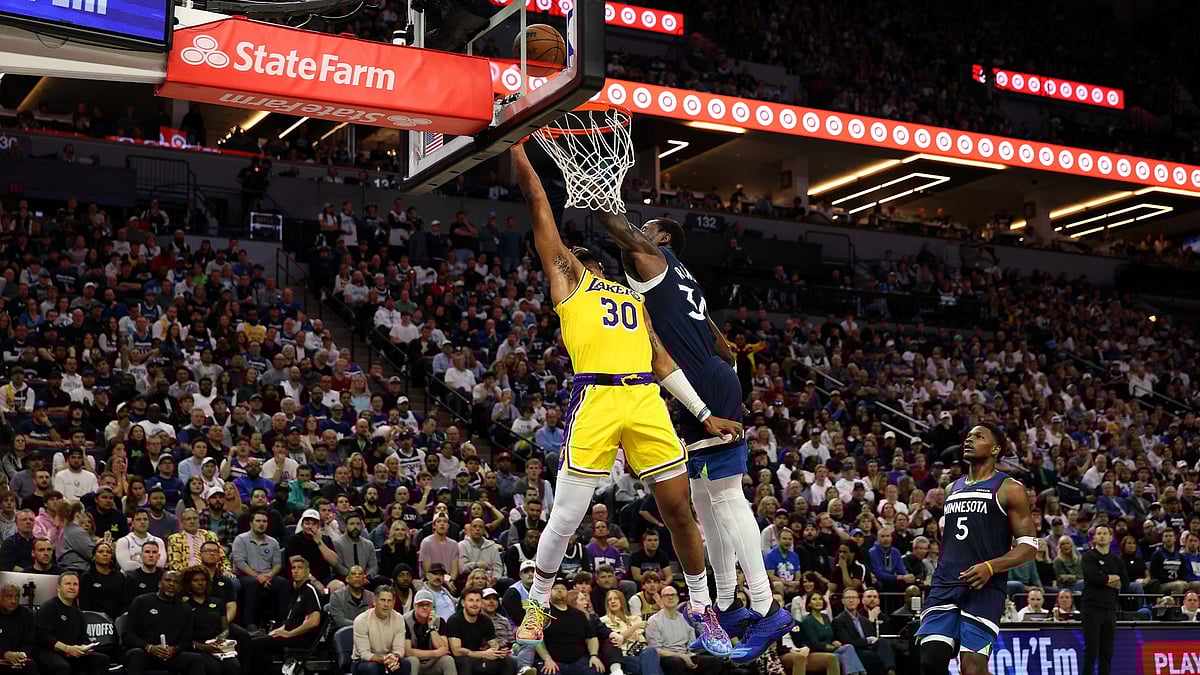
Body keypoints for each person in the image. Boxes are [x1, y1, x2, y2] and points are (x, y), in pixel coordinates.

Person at [508, 144, 738, 657]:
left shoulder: (633, 298)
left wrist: (703, 414)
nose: (586, 258)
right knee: (566, 516)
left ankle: (703, 607)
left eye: (589, 257)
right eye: (577, 256)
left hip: (646, 399)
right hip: (597, 396)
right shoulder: (569, 281)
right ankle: (538, 600)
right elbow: (539, 204)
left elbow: (661, 360)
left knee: (680, 510)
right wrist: (517, 151)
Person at [591, 184, 793, 662]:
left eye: (647, 232)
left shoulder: (656, 260)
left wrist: (594, 194)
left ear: (660, 241)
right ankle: (725, 604)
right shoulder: (683, 277)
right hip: (707, 375)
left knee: (725, 499)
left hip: (701, 382)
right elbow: (722, 343)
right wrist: (724, 374)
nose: (639, 235)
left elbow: (616, 228)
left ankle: (766, 608)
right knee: (704, 501)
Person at [915, 424, 1038, 675]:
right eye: (968, 437)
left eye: (979, 437)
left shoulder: (1009, 488)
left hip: (983, 587)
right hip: (946, 583)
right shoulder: (952, 488)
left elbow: (1029, 547)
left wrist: (991, 566)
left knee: (972, 669)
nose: (969, 441)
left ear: (995, 449)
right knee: (931, 660)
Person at [121, 569, 207, 675]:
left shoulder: (186, 609)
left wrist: (175, 649)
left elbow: (186, 639)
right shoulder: (141, 602)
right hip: (145, 652)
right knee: (136, 654)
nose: (171, 584)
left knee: (196, 659)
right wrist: (149, 647)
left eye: (176, 582)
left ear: (180, 587)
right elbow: (128, 635)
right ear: (159, 583)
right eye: (168, 580)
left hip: (171, 654)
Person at [250, 556, 323, 671]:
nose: (296, 570)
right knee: (252, 641)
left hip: (303, 638)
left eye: (300, 568)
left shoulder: (310, 591)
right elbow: (291, 620)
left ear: (308, 571)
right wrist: (277, 631)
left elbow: (314, 621)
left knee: (255, 645)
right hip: (292, 634)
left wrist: (290, 634)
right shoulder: (297, 591)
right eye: (293, 568)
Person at [34, 571, 112, 674]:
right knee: (62, 667)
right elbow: (42, 636)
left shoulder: (78, 612)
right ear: (58, 587)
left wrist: (84, 648)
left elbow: (83, 638)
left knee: (102, 660)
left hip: (71, 652)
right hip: (48, 651)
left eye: (75, 584)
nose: (72, 587)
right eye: (68, 584)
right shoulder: (50, 607)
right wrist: (66, 648)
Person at [231, 508, 289, 633]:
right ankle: (249, 624)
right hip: (246, 575)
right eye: (258, 521)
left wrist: (268, 576)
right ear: (251, 523)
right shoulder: (240, 539)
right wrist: (258, 576)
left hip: (268, 575)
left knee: (283, 583)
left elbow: (278, 564)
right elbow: (239, 563)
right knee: (253, 583)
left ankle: (283, 622)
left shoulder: (273, 542)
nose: (261, 524)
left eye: (264, 521)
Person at [1081, 524, 1126, 675]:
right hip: (1092, 608)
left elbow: (1124, 583)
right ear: (1094, 538)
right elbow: (1095, 577)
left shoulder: (1117, 560)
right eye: (1098, 533)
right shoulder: (1088, 556)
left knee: (1107, 653)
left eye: (1104, 533)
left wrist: (1105, 578)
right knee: (1092, 651)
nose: (1101, 536)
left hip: (1110, 609)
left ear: (1110, 537)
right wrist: (1112, 578)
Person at [181, 566, 240, 675]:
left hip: (217, 646)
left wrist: (220, 638)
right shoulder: (184, 606)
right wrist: (204, 647)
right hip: (197, 648)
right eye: (195, 580)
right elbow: (184, 637)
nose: (200, 583)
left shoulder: (218, 603)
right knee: (214, 668)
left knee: (234, 666)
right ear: (189, 584)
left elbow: (225, 628)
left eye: (203, 580)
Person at [445, 588, 513, 675]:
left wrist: (499, 652)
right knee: (465, 661)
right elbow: (457, 651)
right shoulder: (454, 620)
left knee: (507, 660)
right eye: (471, 600)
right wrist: (484, 654)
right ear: (463, 603)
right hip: (459, 659)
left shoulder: (486, 620)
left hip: (478, 657)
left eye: (478, 600)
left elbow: (493, 644)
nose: (475, 604)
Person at [833, 588, 896, 675]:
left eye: (854, 598)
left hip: (867, 647)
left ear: (858, 601)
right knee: (876, 657)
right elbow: (847, 642)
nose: (851, 600)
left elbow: (872, 637)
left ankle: (890, 670)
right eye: (848, 598)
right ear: (843, 601)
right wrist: (867, 640)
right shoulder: (838, 620)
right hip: (854, 651)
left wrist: (871, 640)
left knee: (883, 642)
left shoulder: (864, 620)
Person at [353, 584, 407, 675]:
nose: (386, 604)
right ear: (374, 601)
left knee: (405, 664)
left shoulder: (399, 619)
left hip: (389, 659)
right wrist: (385, 659)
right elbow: (365, 654)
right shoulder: (361, 620)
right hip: (363, 662)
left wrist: (395, 657)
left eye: (389, 601)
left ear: (393, 603)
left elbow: (399, 648)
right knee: (372, 668)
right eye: (382, 600)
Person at [403, 590, 455, 675]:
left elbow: (444, 648)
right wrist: (435, 653)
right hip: (415, 661)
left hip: (433, 663)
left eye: (428, 605)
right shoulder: (404, 621)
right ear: (414, 606)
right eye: (421, 605)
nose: (425, 607)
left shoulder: (439, 621)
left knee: (447, 660)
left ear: (433, 607)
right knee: (413, 660)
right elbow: (408, 652)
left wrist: (432, 627)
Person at [79, 541, 126, 619]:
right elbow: (84, 604)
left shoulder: (120, 576)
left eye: (108, 552)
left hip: (116, 618)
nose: (105, 554)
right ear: (94, 556)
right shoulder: (87, 577)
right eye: (100, 552)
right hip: (94, 619)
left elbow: (124, 602)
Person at [0, 584, 37, 675]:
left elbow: (29, 641)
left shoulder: (27, 615)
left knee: (31, 667)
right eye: (8, 596)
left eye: (16, 597)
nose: (13, 601)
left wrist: (21, 655)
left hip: (18, 658)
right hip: (1, 656)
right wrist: (4, 654)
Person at [124, 541, 165, 609]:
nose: (151, 555)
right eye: (147, 552)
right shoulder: (131, 577)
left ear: (158, 556)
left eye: (154, 552)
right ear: (141, 556)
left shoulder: (164, 577)